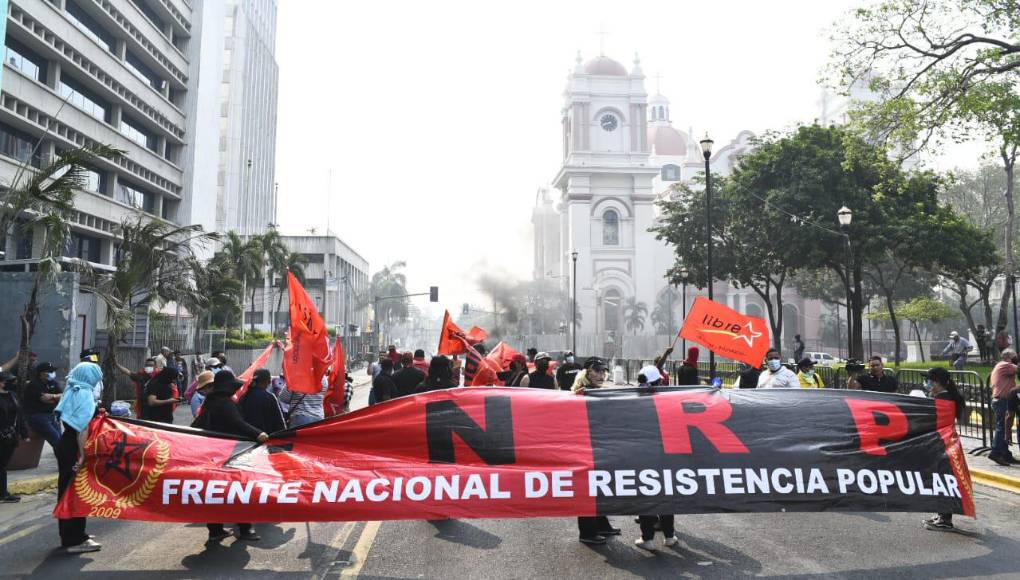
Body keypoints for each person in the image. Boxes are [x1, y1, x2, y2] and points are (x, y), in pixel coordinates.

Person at [191, 371, 268, 543]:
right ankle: (245, 529)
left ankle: (216, 530)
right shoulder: (224, 403)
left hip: (213, 455)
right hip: (231, 454)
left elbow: (197, 425)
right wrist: (259, 434)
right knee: (239, 492)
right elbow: (237, 423)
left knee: (215, 493)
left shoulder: (210, 402)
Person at [53, 362, 103, 553]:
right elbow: (81, 427)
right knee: (73, 490)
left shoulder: (74, 388)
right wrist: (82, 454)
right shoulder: (83, 393)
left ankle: (72, 535)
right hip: (74, 446)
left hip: (66, 444)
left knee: (68, 488)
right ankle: (74, 539)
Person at [571, 357, 620, 544]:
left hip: (600, 448)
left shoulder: (598, 393)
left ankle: (601, 525)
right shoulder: (580, 394)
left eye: (603, 371)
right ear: (586, 373)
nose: (601, 375)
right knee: (588, 490)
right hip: (585, 450)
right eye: (597, 371)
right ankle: (587, 532)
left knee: (600, 488)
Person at [633, 365, 679, 550]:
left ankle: (648, 539)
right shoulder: (668, 400)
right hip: (666, 454)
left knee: (646, 495)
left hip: (642, 455)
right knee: (667, 494)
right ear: (659, 381)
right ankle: (669, 536)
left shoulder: (630, 399)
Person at [922, 367, 966, 532]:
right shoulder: (945, 396)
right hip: (945, 443)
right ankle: (942, 514)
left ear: (937, 382)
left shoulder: (943, 399)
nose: (927, 383)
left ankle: (945, 518)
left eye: (929, 380)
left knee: (942, 479)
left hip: (942, 444)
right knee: (941, 478)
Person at [0, 371, 29, 503]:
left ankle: (3, 493)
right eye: (7, 381)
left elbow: (20, 415)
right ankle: (3, 493)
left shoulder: (13, 395)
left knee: (3, 465)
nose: (10, 383)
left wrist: (24, 433)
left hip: (10, 436)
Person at [23, 362, 63, 451]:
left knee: (61, 441)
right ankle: (66, 462)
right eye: (50, 371)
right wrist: (56, 397)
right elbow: (44, 399)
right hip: (38, 416)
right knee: (57, 440)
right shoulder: (34, 385)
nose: (53, 373)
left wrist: (53, 396)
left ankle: (63, 463)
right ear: (41, 373)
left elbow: (63, 396)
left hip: (52, 415)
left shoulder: (53, 382)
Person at [989, 349, 1018, 466]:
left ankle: (1005, 454)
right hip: (1002, 400)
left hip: (1001, 400)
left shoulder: (1002, 365)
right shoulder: (1006, 365)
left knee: (1005, 427)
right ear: (1007, 357)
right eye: (1014, 356)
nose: (1016, 358)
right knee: (1002, 427)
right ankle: (996, 452)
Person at [239, 369, 286, 435]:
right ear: (269, 381)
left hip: (245, 437)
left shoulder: (244, 396)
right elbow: (279, 422)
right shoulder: (270, 397)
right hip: (264, 438)